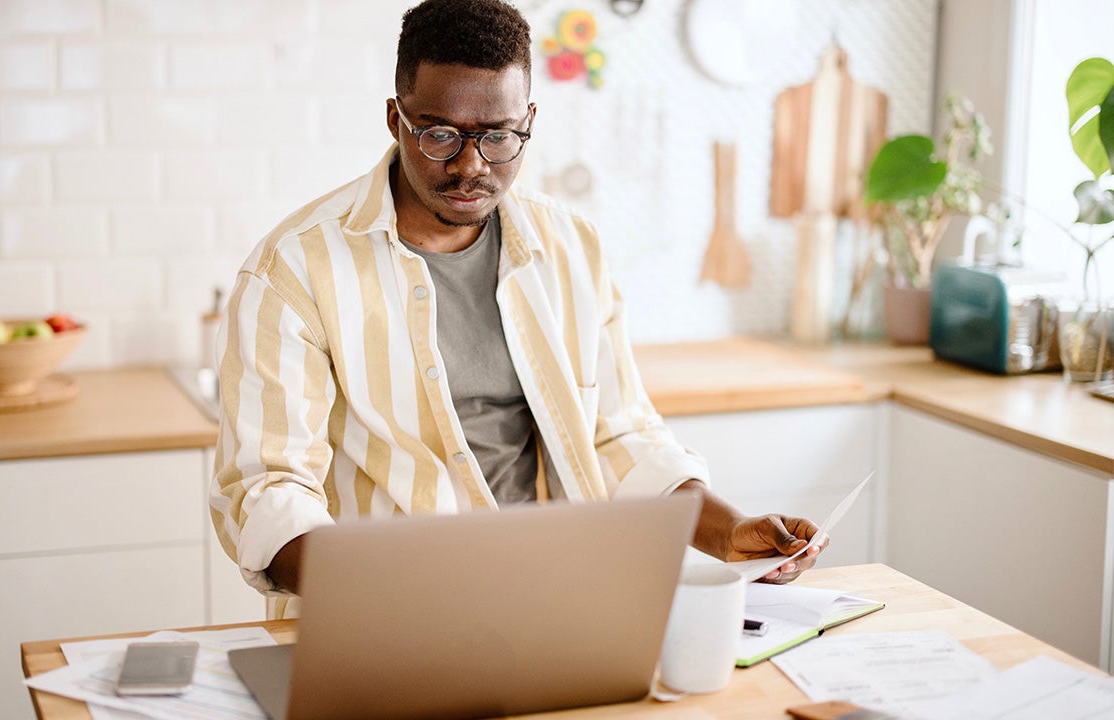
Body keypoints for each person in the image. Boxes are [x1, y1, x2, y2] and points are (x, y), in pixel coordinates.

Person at [210, 0, 824, 616]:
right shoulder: (293, 271)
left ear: (528, 120)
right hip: (385, 616)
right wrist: (383, 597)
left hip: (553, 602)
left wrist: (729, 532)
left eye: (499, 136)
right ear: (396, 119)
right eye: (441, 134)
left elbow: (619, 434)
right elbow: (268, 489)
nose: (471, 165)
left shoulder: (571, 248)